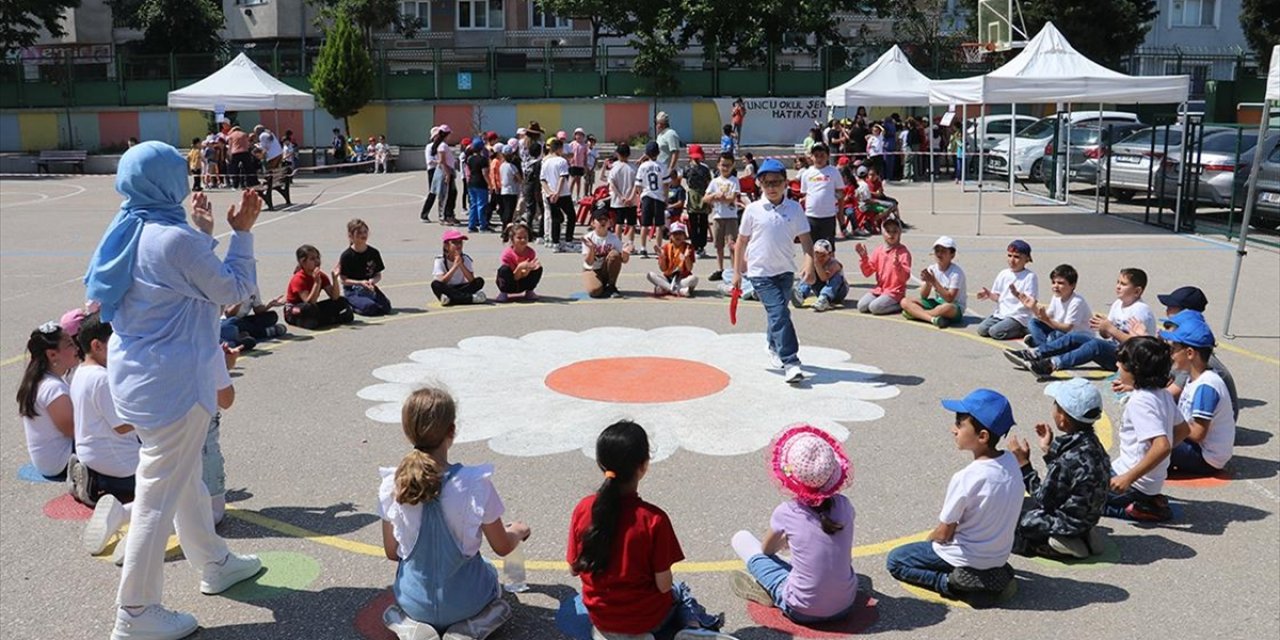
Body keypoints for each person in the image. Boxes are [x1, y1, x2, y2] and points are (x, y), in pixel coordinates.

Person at [83, 142, 264, 638]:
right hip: (175, 384)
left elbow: (176, 283)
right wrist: (241, 234)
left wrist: (204, 234)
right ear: (167, 183)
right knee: (156, 498)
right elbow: (232, 293)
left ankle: (214, 561)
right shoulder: (172, 238)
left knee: (184, 480)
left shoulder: (128, 228)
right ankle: (135, 612)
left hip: (140, 378)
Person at [379, 387, 528, 640]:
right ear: (452, 430)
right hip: (466, 603)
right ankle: (469, 628)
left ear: (408, 431)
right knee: (493, 582)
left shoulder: (393, 483)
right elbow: (502, 547)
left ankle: (410, 625)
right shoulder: (475, 482)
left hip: (416, 602)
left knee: (405, 596)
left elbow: (393, 553)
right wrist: (519, 531)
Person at [568, 421, 728, 640]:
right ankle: (693, 626)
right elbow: (663, 586)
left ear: (600, 463)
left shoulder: (583, 508)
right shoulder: (654, 519)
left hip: (601, 617)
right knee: (680, 590)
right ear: (643, 466)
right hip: (647, 619)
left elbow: (573, 568)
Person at [885, 389, 1021, 599]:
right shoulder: (1011, 462)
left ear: (982, 436)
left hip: (964, 555)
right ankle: (990, 575)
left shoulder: (966, 477)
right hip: (998, 556)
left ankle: (951, 583)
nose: (953, 429)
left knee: (896, 560)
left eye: (960, 423)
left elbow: (943, 534)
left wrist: (928, 542)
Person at [730, 424, 856, 624]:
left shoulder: (787, 511)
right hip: (847, 604)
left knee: (741, 539)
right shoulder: (844, 505)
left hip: (802, 610)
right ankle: (784, 584)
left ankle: (773, 592)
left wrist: (786, 541)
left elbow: (767, 550)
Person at [1007, 378, 1110, 559]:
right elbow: (1067, 478)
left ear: (1062, 418)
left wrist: (1024, 465)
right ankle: (1083, 535)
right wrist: (1048, 450)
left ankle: (1057, 544)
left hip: (1069, 519)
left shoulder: (1068, 459)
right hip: (1088, 516)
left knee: (1014, 523)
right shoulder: (1093, 445)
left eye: (1056, 405)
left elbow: (1043, 499)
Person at [732, 158, 814, 384]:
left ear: (785, 183)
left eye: (777, 182)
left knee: (777, 313)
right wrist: (738, 272)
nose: (772, 187)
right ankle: (791, 361)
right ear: (759, 184)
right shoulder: (753, 210)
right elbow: (741, 242)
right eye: (767, 183)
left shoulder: (795, 209)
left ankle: (772, 345)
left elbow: (806, 239)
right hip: (760, 273)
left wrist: (809, 262)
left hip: (785, 271)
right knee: (779, 313)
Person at [1103, 337, 1189, 522]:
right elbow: (1183, 430)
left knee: (1077, 499)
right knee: (1090, 475)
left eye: (1122, 363)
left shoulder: (1140, 402)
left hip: (1133, 481)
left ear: (1136, 371)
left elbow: (1162, 446)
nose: (1118, 365)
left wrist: (1128, 478)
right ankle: (1149, 499)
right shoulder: (1161, 394)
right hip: (1148, 481)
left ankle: (1138, 508)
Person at [1008, 268, 1155, 377]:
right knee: (1075, 336)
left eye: (1123, 284)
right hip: (1114, 349)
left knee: (1094, 345)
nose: (1118, 286)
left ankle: (1050, 364)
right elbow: (1106, 335)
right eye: (1118, 282)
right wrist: (1103, 328)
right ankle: (1035, 353)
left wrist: (1110, 328)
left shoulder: (1140, 311)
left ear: (1137, 291)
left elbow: (1139, 344)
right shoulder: (1118, 304)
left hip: (1130, 359)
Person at [70, 313, 137, 510]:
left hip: (91, 452)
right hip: (116, 460)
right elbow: (123, 427)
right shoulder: (102, 379)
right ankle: (100, 482)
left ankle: (96, 478)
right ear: (97, 346)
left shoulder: (81, 371)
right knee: (170, 476)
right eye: (118, 342)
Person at [1161, 312, 1235, 477]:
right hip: (1197, 447)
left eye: (1174, 350)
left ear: (1189, 353)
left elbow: (1198, 433)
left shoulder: (1207, 386)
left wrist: (1167, 430)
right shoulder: (1193, 377)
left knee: (1152, 445)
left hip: (1206, 457)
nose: (1171, 354)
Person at [1153, 286, 1239, 420]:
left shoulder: (1195, 364)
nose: (1166, 310)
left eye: (1171, 306)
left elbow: (1171, 393)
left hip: (1206, 426)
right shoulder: (1189, 351)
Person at [16, 321, 77, 480]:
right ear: (52, 354)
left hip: (48, 461)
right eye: (70, 344)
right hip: (60, 461)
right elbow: (73, 430)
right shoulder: (53, 388)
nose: (76, 348)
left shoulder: (40, 380)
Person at [975, 240, 1038, 341]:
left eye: (1017, 257)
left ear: (1027, 259)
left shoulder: (1030, 277)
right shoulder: (1003, 273)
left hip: (1018, 317)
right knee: (982, 330)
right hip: (1001, 314)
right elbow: (998, 297)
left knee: (995, 332)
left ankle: (1024, 329)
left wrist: (1018, 295)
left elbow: (1030, 302)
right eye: (1009, 256)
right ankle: (1008, 327)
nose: (1012, 260)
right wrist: (989, 294)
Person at [1020, 264, 1092, 348]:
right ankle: (1043, 346)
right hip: (1060, 330)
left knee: (1055, 335)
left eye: (1060, 283)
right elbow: (1046, 317)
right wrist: (1033, 307)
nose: (1055, 286)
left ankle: (1040, 346)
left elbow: (1067, 328)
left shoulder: (1076, 302)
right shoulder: (1056, 297)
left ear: (1073, 285)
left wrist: (1046, 319)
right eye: (1053, 282)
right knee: (1033, 322)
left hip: (1077, 336)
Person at [285, 244, 355, 329]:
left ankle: (323, 320)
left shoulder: (321, 276)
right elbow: (309, 302)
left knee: (341, 301)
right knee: (309, 309)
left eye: (318, 258)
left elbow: (335, 297)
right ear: (303, 262)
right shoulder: (298, 279)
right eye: (312, 259)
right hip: (296, 311)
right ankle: (329, 319)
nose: (317, 261)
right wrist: (316, 283)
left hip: (313, 307)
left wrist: (335, 279)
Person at [901, 236, 966, 328]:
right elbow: (924, 296)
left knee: (946, 308)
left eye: (943, 251)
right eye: (937, 251)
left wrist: (933, 281)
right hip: (937, 303)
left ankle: (917, 314)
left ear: (952, 255)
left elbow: (950, 298)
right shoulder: (932, 269)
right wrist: (928, 283)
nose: (939, 254)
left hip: (954, 307)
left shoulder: (956, 273)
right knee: (905, 301)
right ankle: (932, 319)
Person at [853, 218, 911, 315]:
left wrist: (898, 266)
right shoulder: (879, 250)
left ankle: (900, 304)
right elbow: (867, 272)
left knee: (874, 308)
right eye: (888, 231)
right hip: (880, 289)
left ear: (900, 233)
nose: (891, 234)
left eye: (895, 231)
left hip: (895, 292)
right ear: (882, 233)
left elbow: (904, 277)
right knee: (861, 306)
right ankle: (883, 302)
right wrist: (864, 258)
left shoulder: (903, 252)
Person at [336, 218, 393, 316]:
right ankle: (350, 303)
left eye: (365, 232)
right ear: (350, 236)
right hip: (353, 289)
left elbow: (378, 274)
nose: (363, 235)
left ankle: (366, 301)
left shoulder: (373, 252)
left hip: (369, 288)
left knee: (386, 308)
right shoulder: (347, 256)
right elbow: (343, 280)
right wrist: (360, 283)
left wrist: (372, 281)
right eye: (359, 233)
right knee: (370, 308)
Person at [705, 152, 741, 282]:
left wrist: (722, 198)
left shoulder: (734, 181)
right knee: (718, 245)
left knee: (732, 244)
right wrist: (714, 196)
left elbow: (733, 198)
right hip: (718, 217)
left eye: (728, 165)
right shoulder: (715, 182)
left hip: (731, 216)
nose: (725, 168)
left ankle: (733, 269)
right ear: (718, 165)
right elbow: (706, 198)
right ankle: (720, 269)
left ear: (732, 166)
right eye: (723, 165)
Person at [798, 143, 842, 245]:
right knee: (812, 247)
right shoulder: (806, 173)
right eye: (816, 155)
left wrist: (839, 213)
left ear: (827, 156)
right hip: (811, 216)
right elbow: (804, 194)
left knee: (828, 248)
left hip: (828, 216)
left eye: (822, 155)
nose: (819, 158)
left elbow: (840, 192)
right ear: (811, 157)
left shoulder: (834, 172)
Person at [582, 210, 631, 299]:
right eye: (600, 220)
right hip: (592, 269)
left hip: (605, 268)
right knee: (594, 292)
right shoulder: (588, 238)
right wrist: (592, 249)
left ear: (610, 223)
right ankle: (601, 284)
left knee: (614, 255)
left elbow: (624, 260)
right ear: (593, 223)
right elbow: (589, 263)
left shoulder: (614, 238)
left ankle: (611, 286)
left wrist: (626, 253)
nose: (603, 222)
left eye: (605, 219)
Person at [432, 229, 487, 306]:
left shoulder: (466, 258)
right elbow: (442, 281)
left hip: (461, 287)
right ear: (446, 246)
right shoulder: (440, 260)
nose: (458, 245)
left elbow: (471, 280)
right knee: (435, 285)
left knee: (479, 281)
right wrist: (455, 266)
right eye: (454, 243)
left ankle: (452, 299)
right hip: (448, 287)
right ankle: (471, 298)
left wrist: (461, 265)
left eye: (460, 242)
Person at [634, 141, 667, 258]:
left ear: (647, 153)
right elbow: (666, 183)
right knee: (659, 225)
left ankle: (643, 248)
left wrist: (640, 195)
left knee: (645, 224)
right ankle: (658, 248)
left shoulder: (643, 166)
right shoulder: (662, 166)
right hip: (658, 196)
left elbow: (638, 184)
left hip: (647, 195)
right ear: (658, 153)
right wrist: (666, 197)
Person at [541, 137, 575, 251]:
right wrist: (557, 192)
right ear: (559, 149)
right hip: (563, 193)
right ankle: (568, 240)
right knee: (571, 216)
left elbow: (543, 180)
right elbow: (562, 177)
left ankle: (555, 243)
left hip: (550, 193)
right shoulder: (562, 161)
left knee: (556, 218)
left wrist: (550, 192)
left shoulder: (545, 162)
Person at [647, 222, 699, 297]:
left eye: (680, 234)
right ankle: (677, 290)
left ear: (684, 236)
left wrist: (687, 257)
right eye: (675, 234)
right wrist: (662, 258)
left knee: (694, 279)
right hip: (668, 277)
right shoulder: (666, 247)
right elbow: (663, 269)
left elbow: (689, 269)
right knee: (650, 275)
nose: (678, 236)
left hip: (682, 278)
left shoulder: (688, 247)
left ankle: (666, 289)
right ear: (670, 236)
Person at [496, 223, 543, 302]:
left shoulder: (530, 252)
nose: (523, 240)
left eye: (525, 237)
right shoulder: (507, 254)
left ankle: (529, 291)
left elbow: (523, 275)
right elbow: (515, 278)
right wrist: (520, 267)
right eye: (519, 238)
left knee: (538, 268)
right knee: (504, 270)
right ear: (512, 239)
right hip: (511, 283)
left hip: (522, 281)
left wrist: (529, 269)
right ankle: (503, 292)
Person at [683, 144, 713, 258]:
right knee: (698, 222)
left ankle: (698, 246)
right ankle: (698, 246)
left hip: (698, 195)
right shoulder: (703, 169)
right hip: (697, 195)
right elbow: (709, 182)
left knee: (699, 222)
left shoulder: (689, 168)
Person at [608, 144, 638, 248]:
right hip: (632, 200)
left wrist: (621, 197)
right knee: (631, 223)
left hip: (618, 200)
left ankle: (618, 243)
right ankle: (630, 243)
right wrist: (630, 197)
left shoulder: (615, 168)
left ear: (618, 154)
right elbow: (636, 185)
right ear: (629, 154)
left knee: (619, 223)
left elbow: (612, 184)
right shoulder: (634, 167)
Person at [520, 122, 546, 238]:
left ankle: (528, 229)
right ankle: (539, 231)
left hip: (526, 173)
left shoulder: (522, 143)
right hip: (536, 175)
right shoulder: (538, 145)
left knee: (530, 206)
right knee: (540, 206)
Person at [465, 138, 490, 234]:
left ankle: (471, 225)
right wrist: (490, 184)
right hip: (481, 183)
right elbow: (485, 173)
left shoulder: (470, 159)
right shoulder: (483, 159)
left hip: (471, 183)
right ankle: (483, 225)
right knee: (481, 205)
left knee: (473, 205)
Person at [420, 126, 443, 221]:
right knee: (432, 193)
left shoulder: (442, 146)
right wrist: (440, 161)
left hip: (441, 169)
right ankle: (424, 214)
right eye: (437, 136)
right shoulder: (429, 147)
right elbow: (429, 161)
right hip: (433, 170)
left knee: (443, 193)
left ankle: (442, 214)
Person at [655, 111, 681, 178]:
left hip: (667, 169)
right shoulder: (660, 135)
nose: (656, 125)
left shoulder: (671, 134)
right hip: (660, 168)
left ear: (662, 124)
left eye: (657, 123)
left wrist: (670, 168)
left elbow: (675, 152)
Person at [568, 127, 589, 200]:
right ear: (575, 136)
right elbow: (568, 153)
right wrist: (569, 161)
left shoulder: (584, 145)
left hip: (580, 165)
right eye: (577, 135)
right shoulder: (572, 144)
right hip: (573, 164)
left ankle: (577, 196)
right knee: (572, 180)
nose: (579, 136)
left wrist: (585, 165)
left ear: (583, 136)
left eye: (581, 135)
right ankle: (569, 195)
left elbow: (585, 156)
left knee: (578, 181)